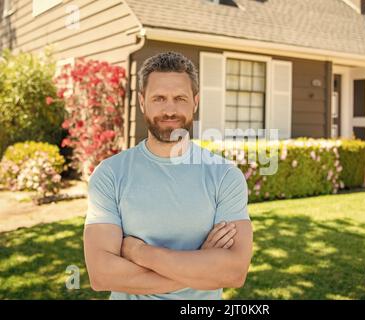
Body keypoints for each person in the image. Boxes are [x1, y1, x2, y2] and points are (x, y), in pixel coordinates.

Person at [83, 51, 253, 300]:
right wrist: (200, 267)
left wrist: (140, 253)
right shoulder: (110, 174)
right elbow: (102, 275)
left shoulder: (225, 176)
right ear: (142, 102)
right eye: (159, 98)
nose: (170, 109)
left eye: (180, 98)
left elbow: (234, 273)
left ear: (195, 102)